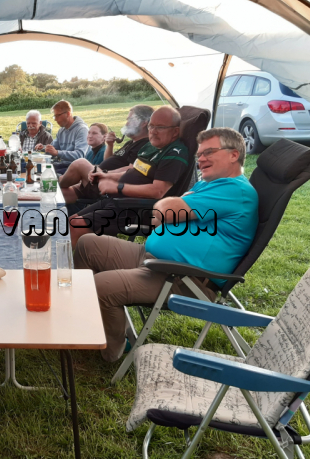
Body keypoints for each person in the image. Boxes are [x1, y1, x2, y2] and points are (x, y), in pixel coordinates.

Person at [73, 128, 258, 362]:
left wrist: (171, 206)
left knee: (100, 286)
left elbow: (164, 209)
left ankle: (111, 350)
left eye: (209, 152)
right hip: (155, 260)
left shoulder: (234, 191)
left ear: (234, 155)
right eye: (199, 154)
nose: (201, 159)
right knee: (89, 244)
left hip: (183, 278)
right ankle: (91, 323)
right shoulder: (211, 185)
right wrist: (173, 206)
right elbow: (165, 211)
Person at [69, 106, 190, 247]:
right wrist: (106, 175)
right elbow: (132, 171)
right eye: (151, 126)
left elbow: (158, 191)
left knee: (76, 225)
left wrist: (118, 187)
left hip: (133, 209)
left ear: (175, 131)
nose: (153, 131)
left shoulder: (175, 154)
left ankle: (77, 265)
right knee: (72, 220)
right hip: (116, 200)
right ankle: (84, 261)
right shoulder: (151, 147)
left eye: (160, 127)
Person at [59, 105, 154, 206]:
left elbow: (132, 170)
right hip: (97, 180)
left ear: (144, 123)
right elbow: (108, 161)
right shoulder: (131, 143)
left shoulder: (144, 144)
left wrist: (105, 174)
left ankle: (55, 183)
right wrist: (110, 145)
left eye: (130, 119)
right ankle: (51, 184)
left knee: (80, 163)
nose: (126, 123)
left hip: (106, 184)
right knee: (58, 195)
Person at [35, 100, 89, 174]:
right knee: (38, 170)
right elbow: (54, 147)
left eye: (58, 116)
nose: (56, 119)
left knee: (47, 175)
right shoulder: (62, 130)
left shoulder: (81, 130)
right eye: (55, 116)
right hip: (62, 165)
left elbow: (80, 155)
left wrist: (57, 153)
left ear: (68, 114)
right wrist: (44, 148)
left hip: (76, 168)